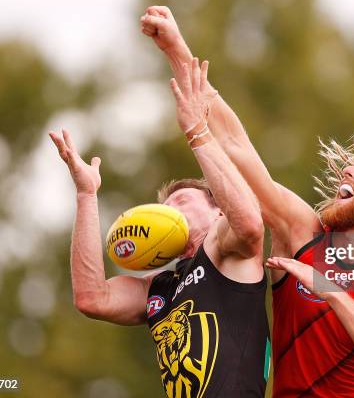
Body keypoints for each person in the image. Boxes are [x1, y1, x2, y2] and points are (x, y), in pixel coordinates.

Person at [141, 6, 354, 397]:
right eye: (352, 164)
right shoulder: (302, 232)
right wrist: (177, 51)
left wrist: (333, 293)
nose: (349, 171)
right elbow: (237, 145)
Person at [49, 60, 269, 397]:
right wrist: (86, 195)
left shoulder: (226, 248)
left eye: (181, 200)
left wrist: (198, 132)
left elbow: (250, 223)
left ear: (218, 211)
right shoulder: (159, 288)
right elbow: (92, 297)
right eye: (164, 209)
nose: (168, 211)